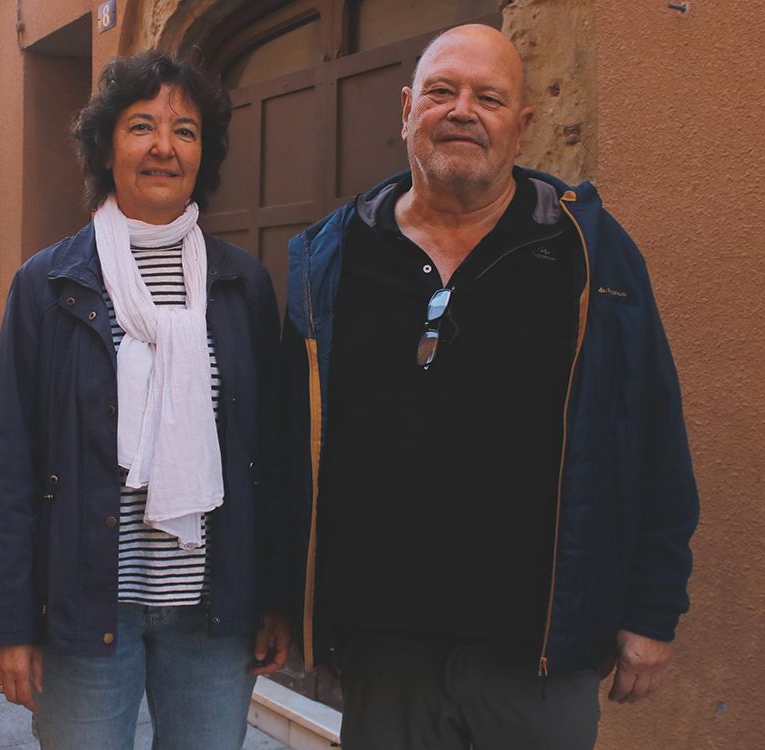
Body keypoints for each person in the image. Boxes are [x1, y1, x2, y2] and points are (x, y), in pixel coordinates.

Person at [281, 24, 699, 750]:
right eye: (441, 91)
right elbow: (287, 440)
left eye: (490, 97)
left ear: (523, 125)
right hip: (385, 653)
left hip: (537, 654)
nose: (462, 110)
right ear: (407, 108)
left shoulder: (588, 255)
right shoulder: (333, 254)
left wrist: (652, 611)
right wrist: (282, 598)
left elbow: (653, 434)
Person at [0, 51, 290, 749]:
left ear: (205, 154)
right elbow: (12, 460)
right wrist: (7, 621)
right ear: (107, 148)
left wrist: (276, 598)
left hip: (211, 612)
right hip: (85, 608)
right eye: (142, 126)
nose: (164, 147)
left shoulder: (242, 287)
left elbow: (274, 452)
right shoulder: (49, 285)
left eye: (186, 131)